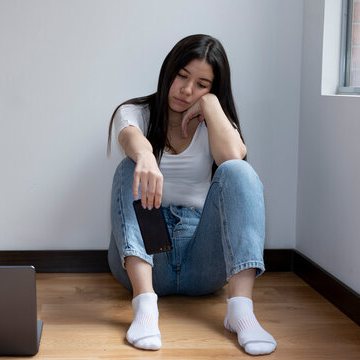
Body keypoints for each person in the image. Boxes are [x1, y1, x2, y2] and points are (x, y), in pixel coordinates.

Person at [107, 34, 277, 356]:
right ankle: (145, 307)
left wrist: (211, 105)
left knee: (240, 170)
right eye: (182, 76)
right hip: (146, 258)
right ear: (169, 71)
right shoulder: (136, 112)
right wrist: (145, 157)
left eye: (201, 84)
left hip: (201, 257)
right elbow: (130, 137)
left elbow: (232, 157)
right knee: (127, 168)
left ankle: (240, 312)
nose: (187, 90)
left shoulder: (213, 119)